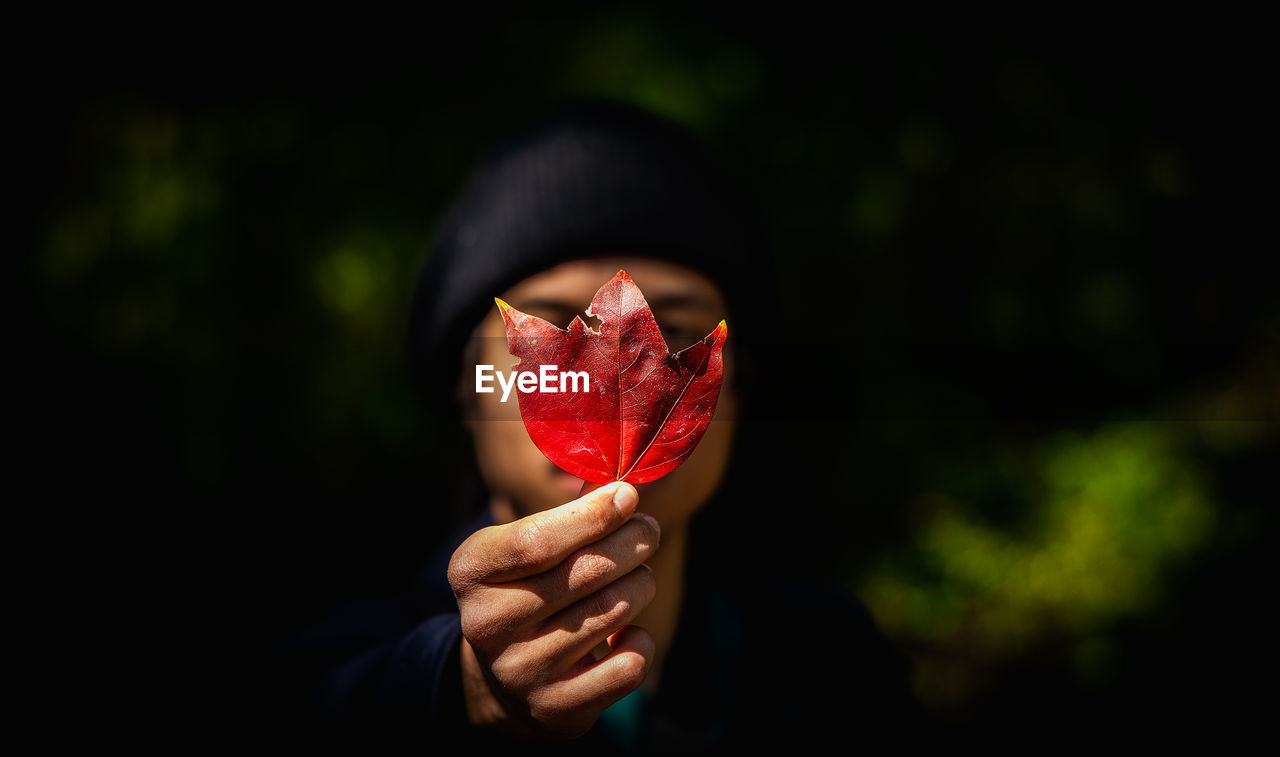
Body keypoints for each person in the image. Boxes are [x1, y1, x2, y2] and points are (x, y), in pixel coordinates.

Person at [281, 99, 925, 751]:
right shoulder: (325, 664)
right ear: (468, 383)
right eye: (554, 331)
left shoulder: (838, 671)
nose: (605, 390)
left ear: (740, 381)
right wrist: (462, 688)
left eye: (672, 332)